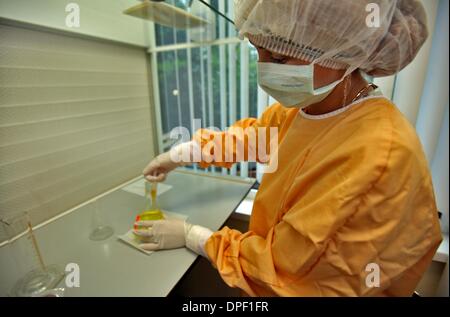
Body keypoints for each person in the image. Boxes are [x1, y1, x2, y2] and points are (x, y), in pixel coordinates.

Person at [136, 0, 443, 296]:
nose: (264, 71)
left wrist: (194, 237)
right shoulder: (305, 111)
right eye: (258, 52)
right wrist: (180, 154)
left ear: (345, 51)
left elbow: (287, 273)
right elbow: (249, 139)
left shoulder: (378, 155)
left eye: (280, 58)